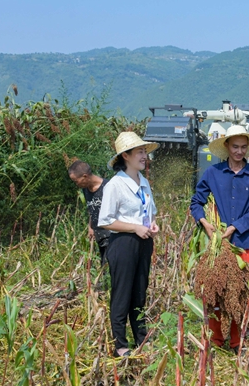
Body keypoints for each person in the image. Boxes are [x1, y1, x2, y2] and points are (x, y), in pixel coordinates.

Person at [190, 124, 249, 352]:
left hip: (244, 243)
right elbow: (196, 202)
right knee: (214, 290)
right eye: (235, 147)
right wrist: (204, 223)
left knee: (241, 293)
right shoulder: (213, 173)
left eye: (244, 147)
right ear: (226, 146)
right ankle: (215, 340)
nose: (239, 151)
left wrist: (234, 227)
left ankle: (237, 341)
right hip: (217, 245)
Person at [98, 132, 160, 357]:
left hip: (144, 242)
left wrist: (153, 225)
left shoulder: (143, 182)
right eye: (140, 152)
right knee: (122, 293)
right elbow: (106, 221)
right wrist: (134, 228)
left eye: (145, 151)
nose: (145, 156)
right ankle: (120, 344)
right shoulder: (115, 185)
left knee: (139, 293)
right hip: (123, 243)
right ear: (125, 155)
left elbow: (150, 212)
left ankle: (141, 339)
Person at [68, 160, 111, 266]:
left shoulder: (108, 187)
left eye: (76, 181)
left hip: (112, 235)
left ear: (85, 176)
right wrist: (91, 227)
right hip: (99, 236)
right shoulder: (86, 190)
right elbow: (92, 208)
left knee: (109, 266)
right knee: (104, 266)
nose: (76, 184)